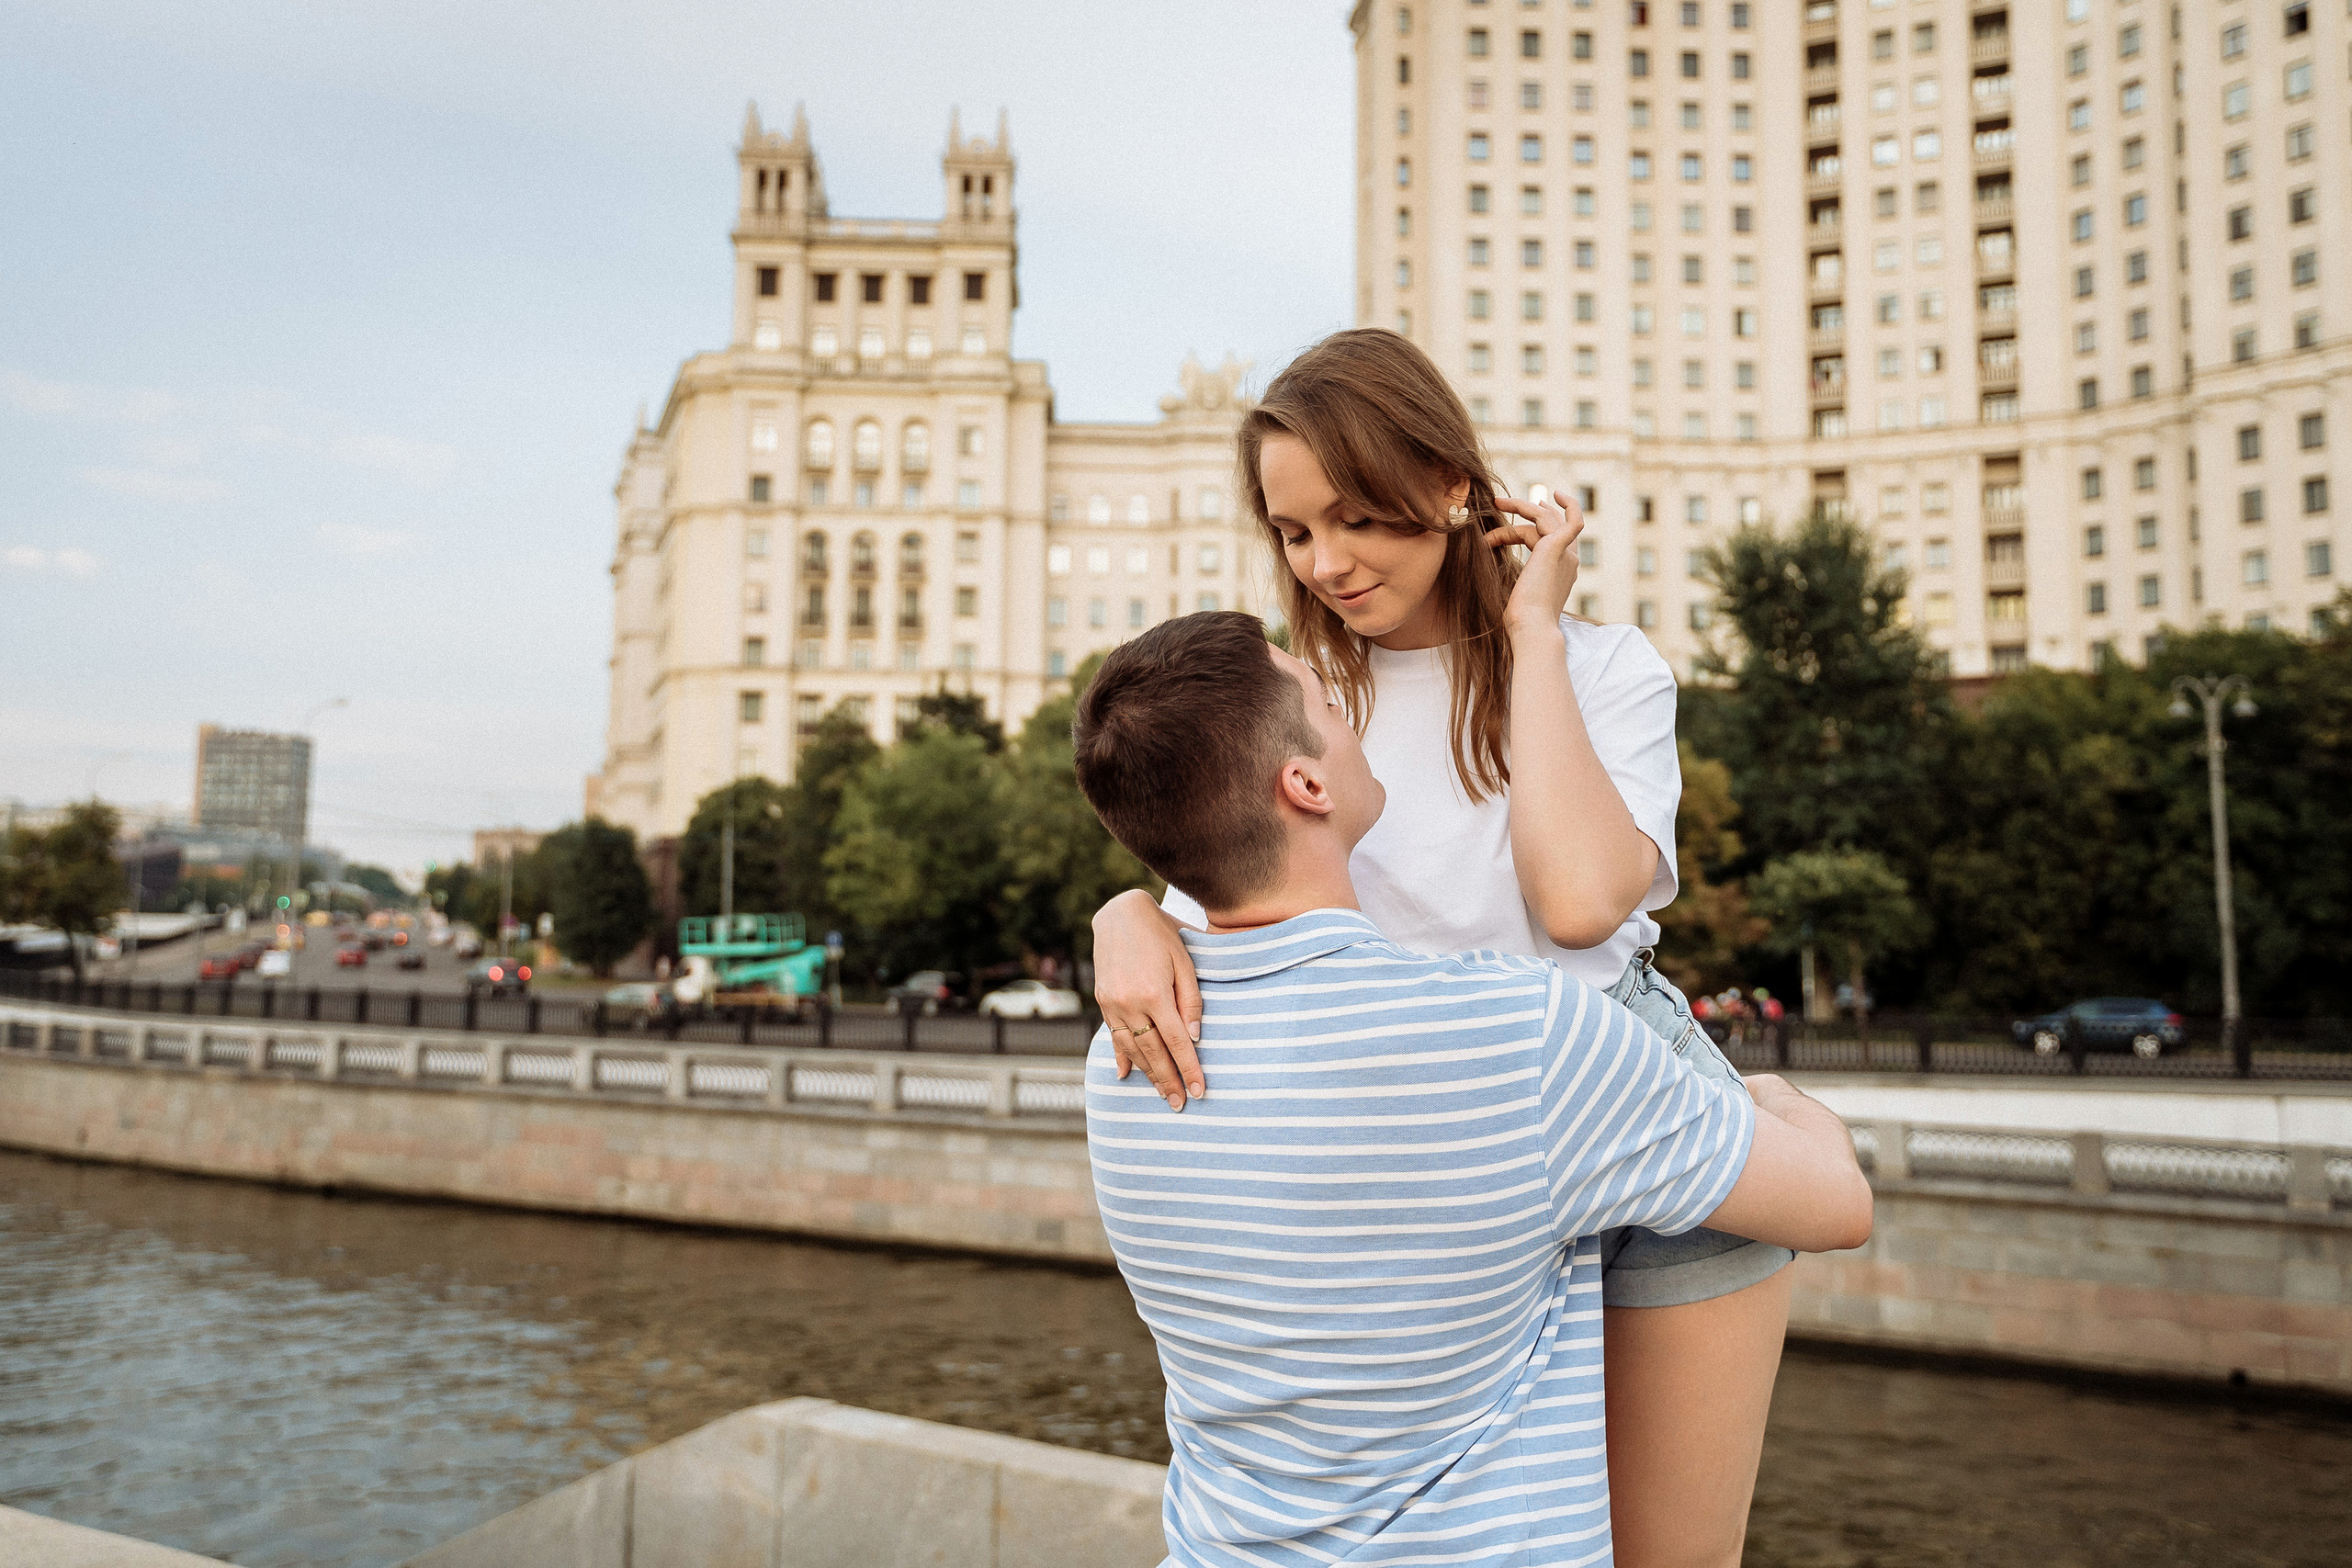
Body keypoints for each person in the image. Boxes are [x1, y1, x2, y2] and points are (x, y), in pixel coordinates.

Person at [1092, 329, 1795, 1565]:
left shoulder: (1604, 669)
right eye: (1293, 532)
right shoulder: (1302, 704)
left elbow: (1578, 904)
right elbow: (1221, 892)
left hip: (1637, 1128)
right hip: (1442, 1166)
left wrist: (1533, 638)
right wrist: (1125, 914)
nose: (1326, 562)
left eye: (1356, 517)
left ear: (1449, 484)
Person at [1073, 612, 1872, 1567]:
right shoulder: (1520, 1037)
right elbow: (1839, 1205)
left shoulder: (1122, 1061)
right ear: (1306, 783)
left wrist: (1126, 908)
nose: (1354, 717)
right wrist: (1774, 1098)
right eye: (1328, 703)